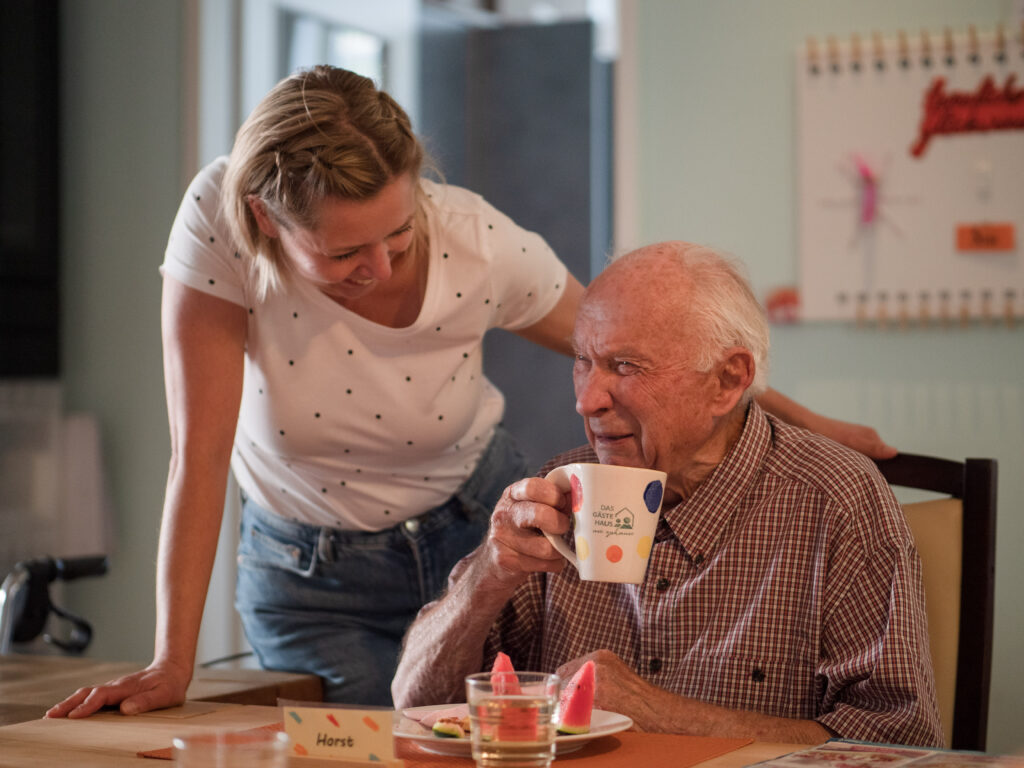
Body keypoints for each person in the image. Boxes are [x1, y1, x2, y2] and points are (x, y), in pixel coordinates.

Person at [48, 66, 892, 718]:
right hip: (311, 572)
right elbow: (197, 461)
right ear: (269, 223)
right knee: (377, 745)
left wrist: (804, 422)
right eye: (346, 255)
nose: (379, 269)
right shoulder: (220, 228)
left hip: (472, 519)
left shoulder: (478, 243)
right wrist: (171, 661)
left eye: (399, 234)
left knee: (496, 741)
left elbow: (644, 360)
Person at [392, 241, 943, 747]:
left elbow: (898, 745)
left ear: (727, 382)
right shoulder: (562, 487)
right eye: (582, 361)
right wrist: (490, 572)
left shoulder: (833, 500)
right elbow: (417, 706)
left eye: (625, 366)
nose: (587, 400)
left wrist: (661, 713)